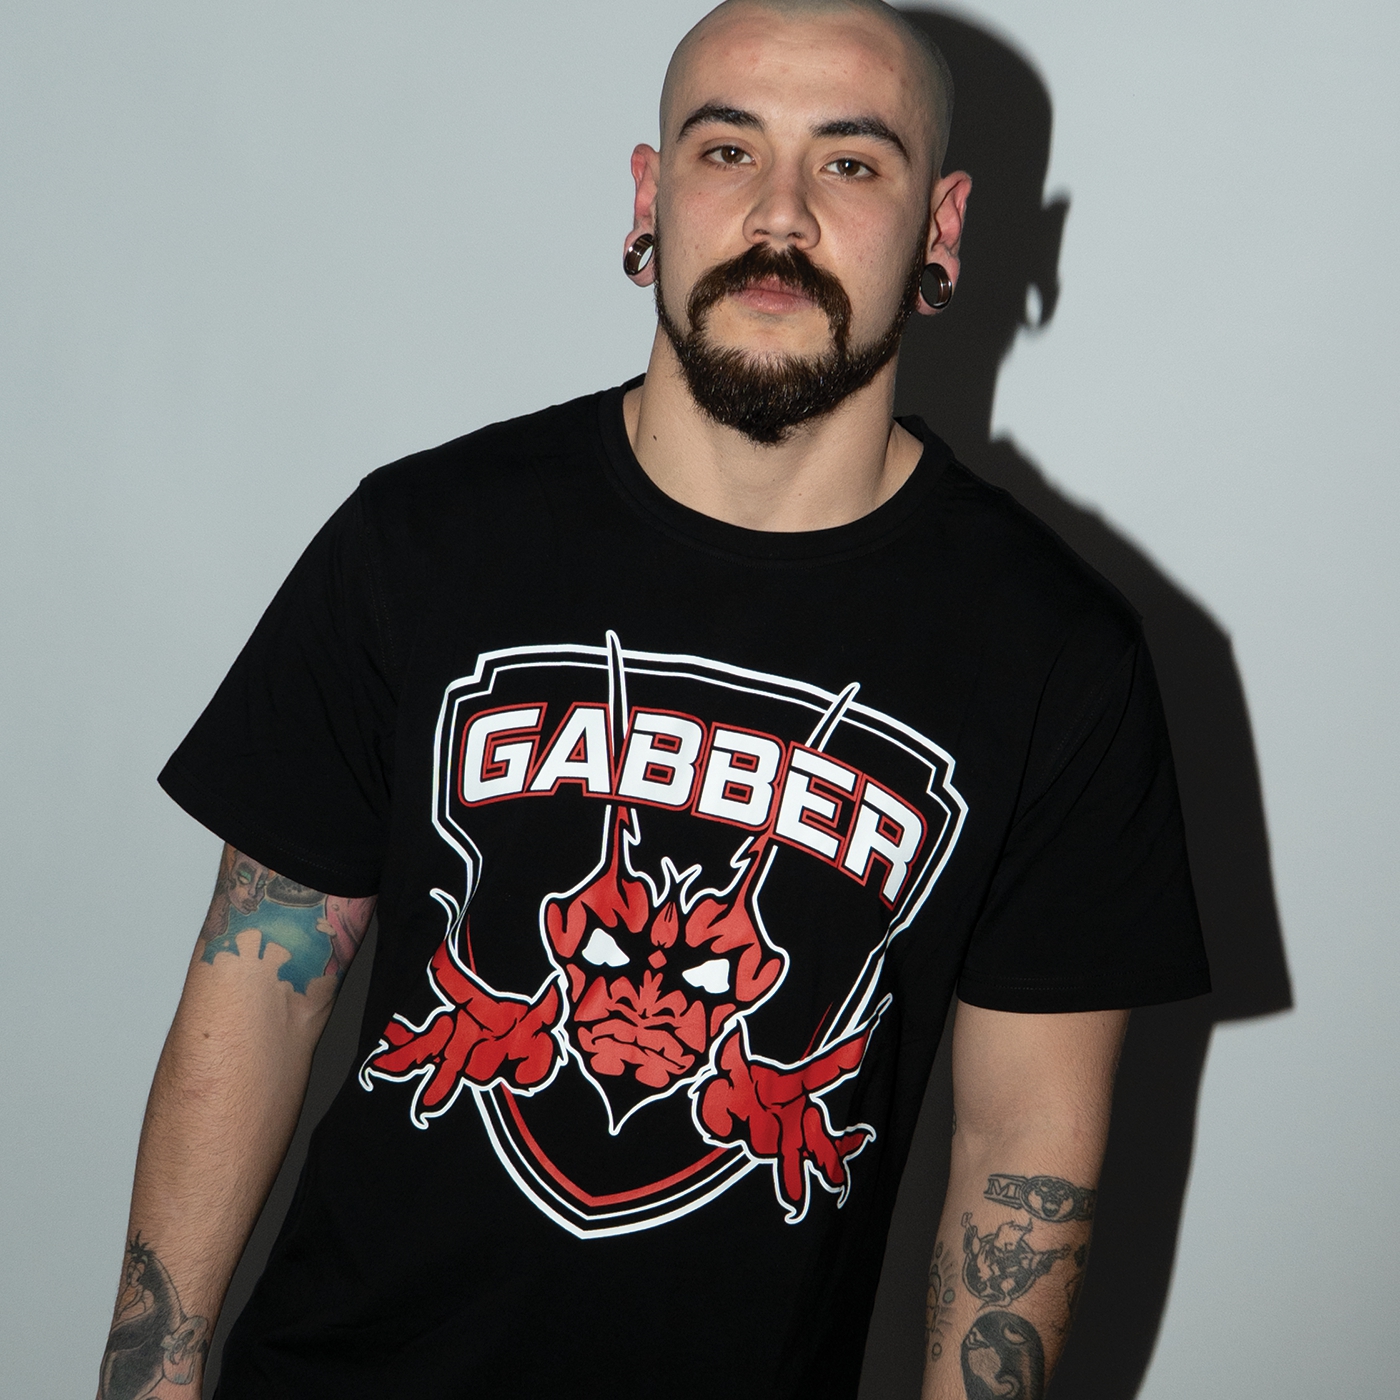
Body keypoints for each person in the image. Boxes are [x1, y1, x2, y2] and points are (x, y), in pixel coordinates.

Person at [97, 3, 1210, 1397]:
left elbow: (1023, 1151)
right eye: (727, 150)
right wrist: (146, 1378)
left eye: (850, 163)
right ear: (649, 194)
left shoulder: (1057, 654)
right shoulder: (423, 541)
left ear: (942, 225)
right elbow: (257, 987)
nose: (781, 214)